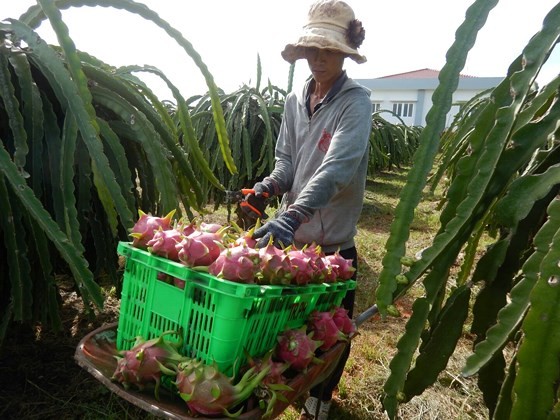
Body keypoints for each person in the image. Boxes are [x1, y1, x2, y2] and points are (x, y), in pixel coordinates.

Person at [250, 1, 372, 419]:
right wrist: (270, 187)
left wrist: (293, 214)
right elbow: (288, 160)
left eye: (330, 51)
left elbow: (337, 168)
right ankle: (290, 386)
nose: (319, 59)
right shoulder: (294, 99)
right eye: (313, 50)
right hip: (292, 238)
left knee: (332, 333)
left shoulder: (355, 103)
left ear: (344, 53)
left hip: (333, 242)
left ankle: (320, 402)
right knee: (287, 325)